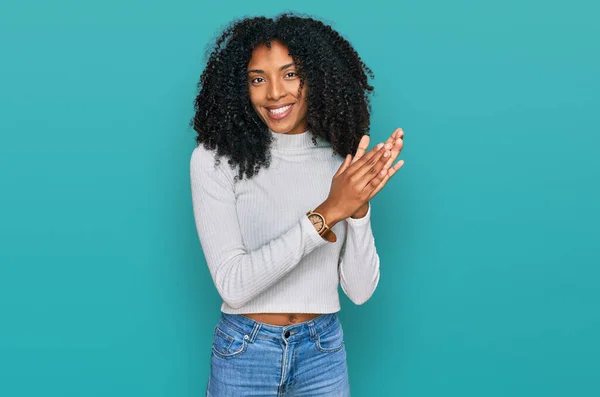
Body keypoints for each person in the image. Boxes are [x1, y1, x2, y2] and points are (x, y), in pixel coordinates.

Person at [189, 12, 405, 396]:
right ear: (241, 87)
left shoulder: (340, 159)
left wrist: (357, 209)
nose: (274, 93)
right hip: (245, 350)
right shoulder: (214, 160)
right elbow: (233, 285)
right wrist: (328, 212)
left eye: (290, 74)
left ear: (318, 77)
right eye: (258, 79)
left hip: (323, 349)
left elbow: (359, 291)